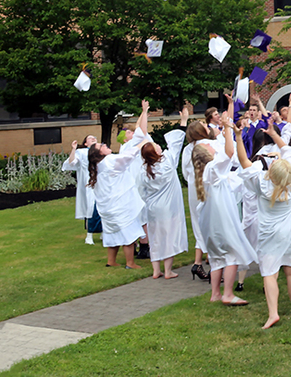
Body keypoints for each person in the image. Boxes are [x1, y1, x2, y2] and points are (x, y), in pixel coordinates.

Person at [232, 121, 291, 328]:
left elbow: (243, 162)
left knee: (270, 273)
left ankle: (273, 313)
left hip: (270, 234)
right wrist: (274, 135)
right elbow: (287, 149)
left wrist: (239, 137)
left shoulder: (262, 183)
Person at [191, 112, 259, 306]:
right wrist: (229, 129)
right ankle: (228, 294)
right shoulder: (213, 172)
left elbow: (235, 179)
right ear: (207, 155)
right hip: (221, 220)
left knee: (216, 257)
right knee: (232, 253)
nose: (215, 148)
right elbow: (229, 153)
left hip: (210, 221)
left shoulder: (206, 177)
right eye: (211, 148)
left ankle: (215, 294)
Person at [86, 100, 151, 269]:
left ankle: (111, 261)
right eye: (102, 146)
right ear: (99, 153)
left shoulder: (97, 167)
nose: (106, 145)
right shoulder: (108, 162)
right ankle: (130, 263)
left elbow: (139, 133)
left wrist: (144, 112)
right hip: (119, 205)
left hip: (107, 208)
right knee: (127, 233)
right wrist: (140, 146)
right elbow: (128, 156)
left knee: (112, 234)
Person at [139, 104, 190, 279]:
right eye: (156, 146)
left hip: (152, 208)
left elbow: (141, 191)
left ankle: (156, 270)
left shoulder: (143, 170)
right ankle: (167, 271)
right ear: (155, 152)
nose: (160, 146)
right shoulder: (168, 162)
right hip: (169, 208)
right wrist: (184, 120)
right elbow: (177, 143)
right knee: (169, 236)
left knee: (155, 237)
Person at [182, 120, 216, 281]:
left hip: (192, 186)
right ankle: (213, 263)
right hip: (207, 184)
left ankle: (198, 262)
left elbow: (184, 171)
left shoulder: (187, 149)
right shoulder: (209, 144)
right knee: (211, 223)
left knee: (198, 223)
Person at [62, 134, 98, 245]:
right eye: (90, 138)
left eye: (95, 137)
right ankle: (89, 235)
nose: (93, 138)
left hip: (101, 183)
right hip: (89, 184)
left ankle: (104, 233)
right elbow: (71, 163)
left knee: (103, 208)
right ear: (86, 143)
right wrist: (74, 149)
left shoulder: (101, 151)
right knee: (91, 208)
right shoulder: (82, 153)